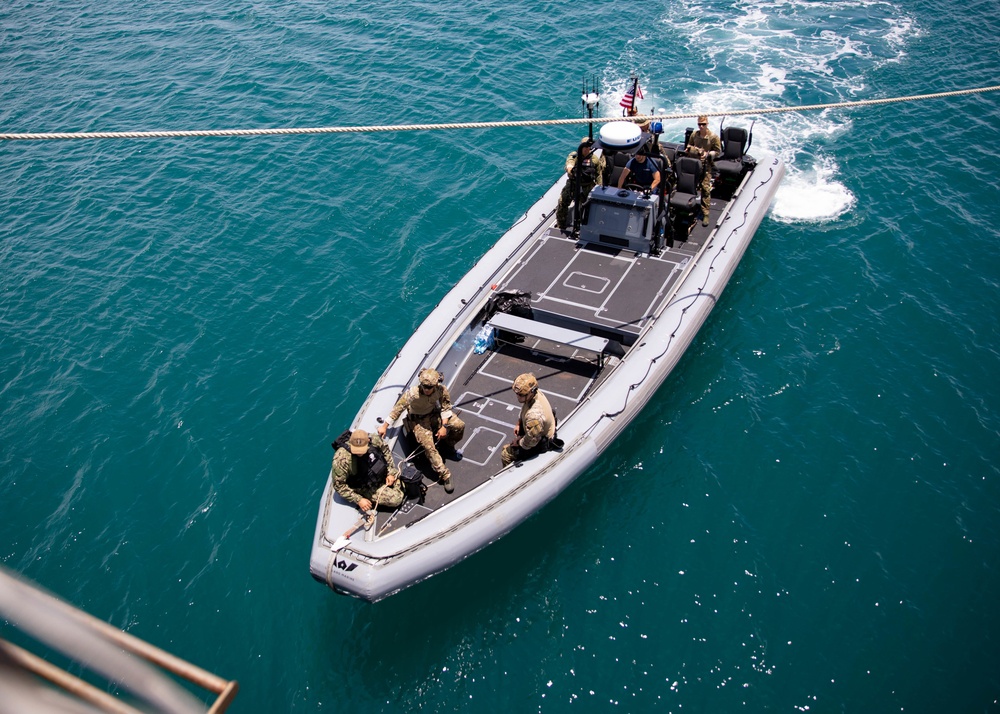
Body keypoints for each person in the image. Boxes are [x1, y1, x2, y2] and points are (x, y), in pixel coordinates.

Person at [378, 368, 465, 493]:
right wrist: (384, 426)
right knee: (428, 447)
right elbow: (397, 409)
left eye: (430, 387)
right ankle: (445, 475)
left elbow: (445, 408)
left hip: (434, 414)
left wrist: (444, 427)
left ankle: (448, 446)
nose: (427, 389)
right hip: (418, 420)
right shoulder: (412, 394)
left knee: (459, 425)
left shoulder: (441, 390)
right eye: (424, 386)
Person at [332, 429, 403, 512]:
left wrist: (390, 472)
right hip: (365, 487)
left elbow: (386, 452)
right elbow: (339, 485)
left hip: (380, 473)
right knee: (396, 499)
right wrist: (359, 500)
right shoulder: (342, 459)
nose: (359, 453)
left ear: (368, 441)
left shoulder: (375, 440)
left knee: (406, 474)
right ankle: (400, 486)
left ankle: (400, 484)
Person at [501, 373, 556, 467]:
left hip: (539, 442)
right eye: (517, 393)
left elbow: (531, 441)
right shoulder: (534, 394)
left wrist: (518, 442)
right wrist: (519, 422)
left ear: (530, 392)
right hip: (536, 432)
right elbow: (525, 408)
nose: (517, 396)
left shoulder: (534, 416)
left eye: (521, 394)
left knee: (506, 454)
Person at [556, 137, 606, 231]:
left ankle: (585, 225)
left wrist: (600, 188)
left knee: (588, 206)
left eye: (588, 147)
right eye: (584, 147)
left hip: (587, 185)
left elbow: (598, 174)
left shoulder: (594, 160)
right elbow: (570, 163)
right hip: (573, 184)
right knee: (563, 201)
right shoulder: (575, 156)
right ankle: (561, 225)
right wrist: (570, 169)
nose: (586, 150)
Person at [685, 115, 721, 226]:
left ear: (707, 124)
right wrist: (694, 150)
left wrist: (709, 154)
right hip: (694, 164)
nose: (701, 126)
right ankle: (689, 208)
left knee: (705, 188)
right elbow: (689, 145)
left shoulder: (713, 137)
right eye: (699, 124)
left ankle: (705, 213)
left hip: (706, 166)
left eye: (703, 124)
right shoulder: (694, 135)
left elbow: (718, 151)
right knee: (690, 186)